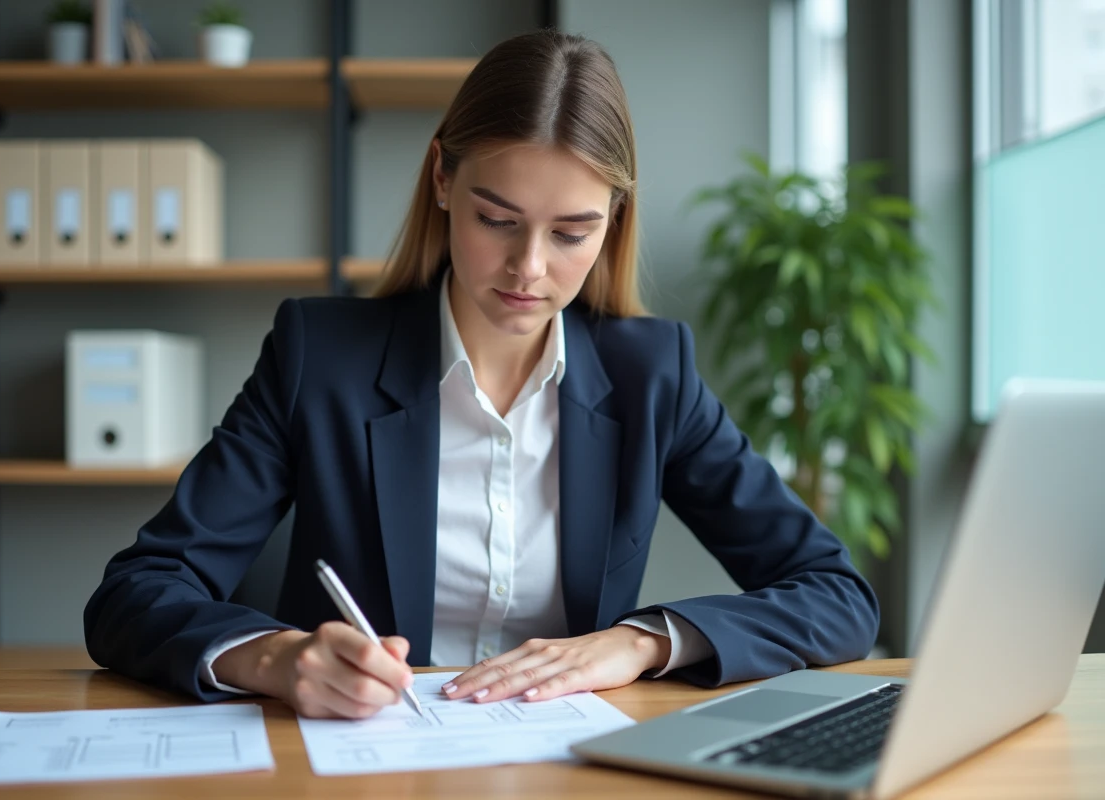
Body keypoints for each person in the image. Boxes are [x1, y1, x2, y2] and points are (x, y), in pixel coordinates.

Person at [84, 30, 878, 721]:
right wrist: (276, 660)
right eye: (497, 220)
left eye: (572, 233)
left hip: (568, 767)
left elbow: (837, 596)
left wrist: (639, 641)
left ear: (615, 222)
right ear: (441, 181)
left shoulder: (651, 374)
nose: (528, 269)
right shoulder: (318, 357)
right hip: (358, 767)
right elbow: (136, 593)